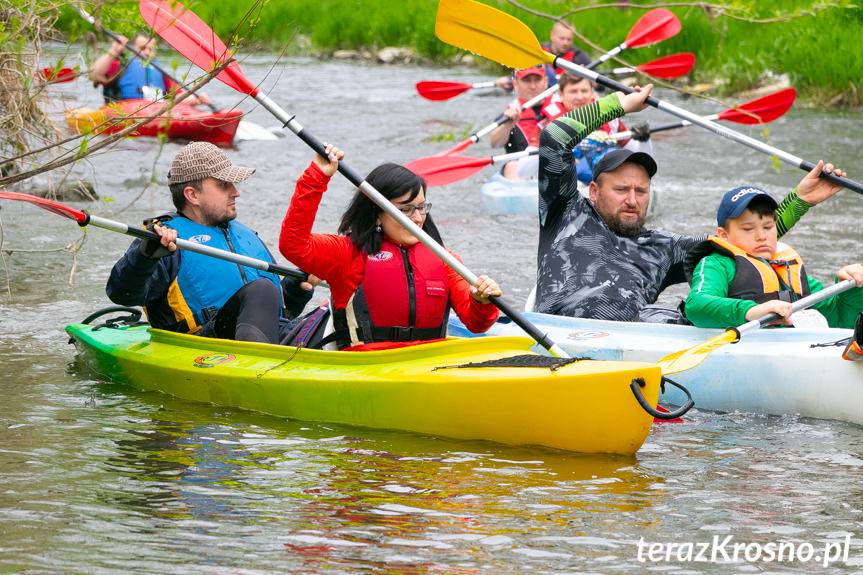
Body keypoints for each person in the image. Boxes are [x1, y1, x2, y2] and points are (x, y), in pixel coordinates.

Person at [534, 85, 848, 322]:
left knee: (683, 316)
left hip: (634, 340)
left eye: (641, 191)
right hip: (560, 330)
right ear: (593, 191)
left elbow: (745, 237)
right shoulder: (565, 212)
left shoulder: (664, 247)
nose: (632, 200)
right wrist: (620, 105)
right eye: (621, 189)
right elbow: (553, 138)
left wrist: (801, 199)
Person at [278, 145, 502, 351]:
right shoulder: (348, 253)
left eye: (421, 208)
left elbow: (476, 324)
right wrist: (317, 177)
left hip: (430, 365)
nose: (416, 219)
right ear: (377, 214)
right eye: (405, 210)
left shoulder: (444, 259)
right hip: (366, 367)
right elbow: (293, 245)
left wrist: (482, 301)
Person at [107, 141, 314, 343]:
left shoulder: (247, 236)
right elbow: (123, 294)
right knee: (262, 289)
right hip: (204, 343)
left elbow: (276, 314)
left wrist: (296, 290)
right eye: (223, 185)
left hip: (266, 338)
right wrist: (145, 257)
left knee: (330, 314)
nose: (236, 192)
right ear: (193, 195)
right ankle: (257, 367)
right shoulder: (163, 238)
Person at [682, 187, 863, 329]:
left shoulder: (788, 269)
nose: (761, 236)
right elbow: (696, 306)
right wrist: (752, 311)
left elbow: (841, 320)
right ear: (723, 235)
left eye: (768, 227)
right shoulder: (716, 264)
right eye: (748, 229)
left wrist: (850, 288)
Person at [89, 33, 209, 105]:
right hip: (123, 112)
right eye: (142, 48)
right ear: (133, 48)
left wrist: (197, 99)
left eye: (150, 49)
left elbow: (178, 97)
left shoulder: (160, 72)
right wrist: (114, 51)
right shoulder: (119, 65)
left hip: (154, 111)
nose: (147, 52)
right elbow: (94, 75)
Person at [490, 66, 549, 180]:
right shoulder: (509, 114)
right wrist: (508, 125)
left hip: (553, 167)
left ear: (545, 82)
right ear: (516, 84)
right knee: (512, 165)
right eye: (527, 81)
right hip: (521, 173)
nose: (533, 86)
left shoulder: (562, 105)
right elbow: (495, 144)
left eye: (537, 80)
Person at [494, 21, 591, 91]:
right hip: (537, 90)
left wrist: (584, 77)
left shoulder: (580, 57)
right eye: (562, 38)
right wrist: (509, 80)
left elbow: (599, 86)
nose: (565, 43)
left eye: (569, 39)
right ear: (552, 35)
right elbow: (521, 72)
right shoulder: (538, 52)